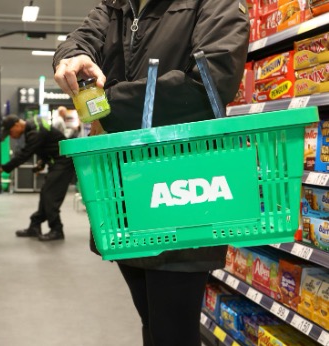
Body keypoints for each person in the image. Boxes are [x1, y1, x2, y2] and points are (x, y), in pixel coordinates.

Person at [53, 1, 249, 345]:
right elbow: (81, 38)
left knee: (173, 329)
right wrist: (70, 57)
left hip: (185, 187)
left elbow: (213, 80)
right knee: (152, 320)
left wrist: (108, 103)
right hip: (123, 187)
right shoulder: (114, 6)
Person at [0, 114, 75, 241]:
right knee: (46, 194)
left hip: (63, 162)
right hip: (57, 161)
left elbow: (25, 154)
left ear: (17, 124)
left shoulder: (35, 131)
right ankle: (35, 226)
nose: (11, 136)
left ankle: (57, 230)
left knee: (50, 196)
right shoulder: (34, 125)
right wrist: (42, 162)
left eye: (11, 132)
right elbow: (48, 144)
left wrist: (1, 169)